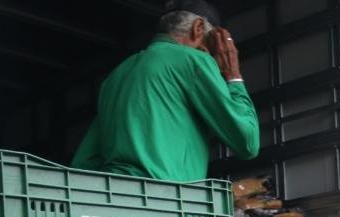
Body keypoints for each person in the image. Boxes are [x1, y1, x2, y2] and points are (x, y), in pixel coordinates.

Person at [72, 0, 259, 182]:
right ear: (198, 27)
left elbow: (85, 162)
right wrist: (233, 76)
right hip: (164, 197)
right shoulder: (194, 60)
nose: (211, 55)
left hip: (117, 195)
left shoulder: (115, 77)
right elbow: (247, 143)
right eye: (211, 46)